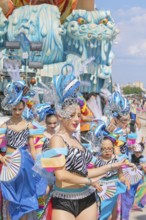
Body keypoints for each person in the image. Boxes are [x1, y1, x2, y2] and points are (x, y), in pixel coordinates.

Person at [0, 81, 47, 220]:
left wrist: (38, 165)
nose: (17, 112)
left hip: (25, 165)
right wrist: (2, 158)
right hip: (10, 166)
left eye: (20, 109)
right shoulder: (4, 125)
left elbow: (32, 148)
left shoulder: (29, 126)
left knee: (25, 198)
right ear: (10, 108)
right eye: (14, 109)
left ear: (24, 108)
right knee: (10, 199)